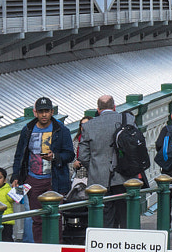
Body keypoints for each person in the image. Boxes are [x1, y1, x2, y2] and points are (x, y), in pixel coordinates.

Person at [12, 97, 75, 243]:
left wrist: (55, 157)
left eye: (47, 111)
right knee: (37, 218)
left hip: (55, 179)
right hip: (32, 179)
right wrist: (16, 176)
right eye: (41, 112)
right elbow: (19, 155)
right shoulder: (27, 130)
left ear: (52, 112)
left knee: (55, 217)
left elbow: (70, 154)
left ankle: (55, 251)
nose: (44, 115)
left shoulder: (61, 130)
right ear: (35, 113)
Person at [75, 95, 128, 228]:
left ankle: (107, 246)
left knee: (105, 219)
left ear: (98, 109)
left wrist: (95, 167)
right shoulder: (127, 120)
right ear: (114, 107)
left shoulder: (88, 126)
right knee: (125, 217)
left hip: (99, 180)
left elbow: (82, 156)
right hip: (124, 177)